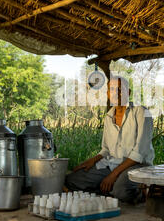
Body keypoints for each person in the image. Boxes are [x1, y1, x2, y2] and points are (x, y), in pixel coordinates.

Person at [64, 75, 155, 203]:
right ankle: (109, 190)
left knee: (121, 192)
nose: (116, 93)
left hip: (137, 165)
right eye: (112, 90)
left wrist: (113, 175)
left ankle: (141, 192)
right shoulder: (109, 116)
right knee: (72, 180)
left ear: (128, 92)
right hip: (111, 164)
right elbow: (106, 149)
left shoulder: (141, 112)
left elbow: (138, 153)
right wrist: (92, 161)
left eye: (119, 89)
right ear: (107, 93)